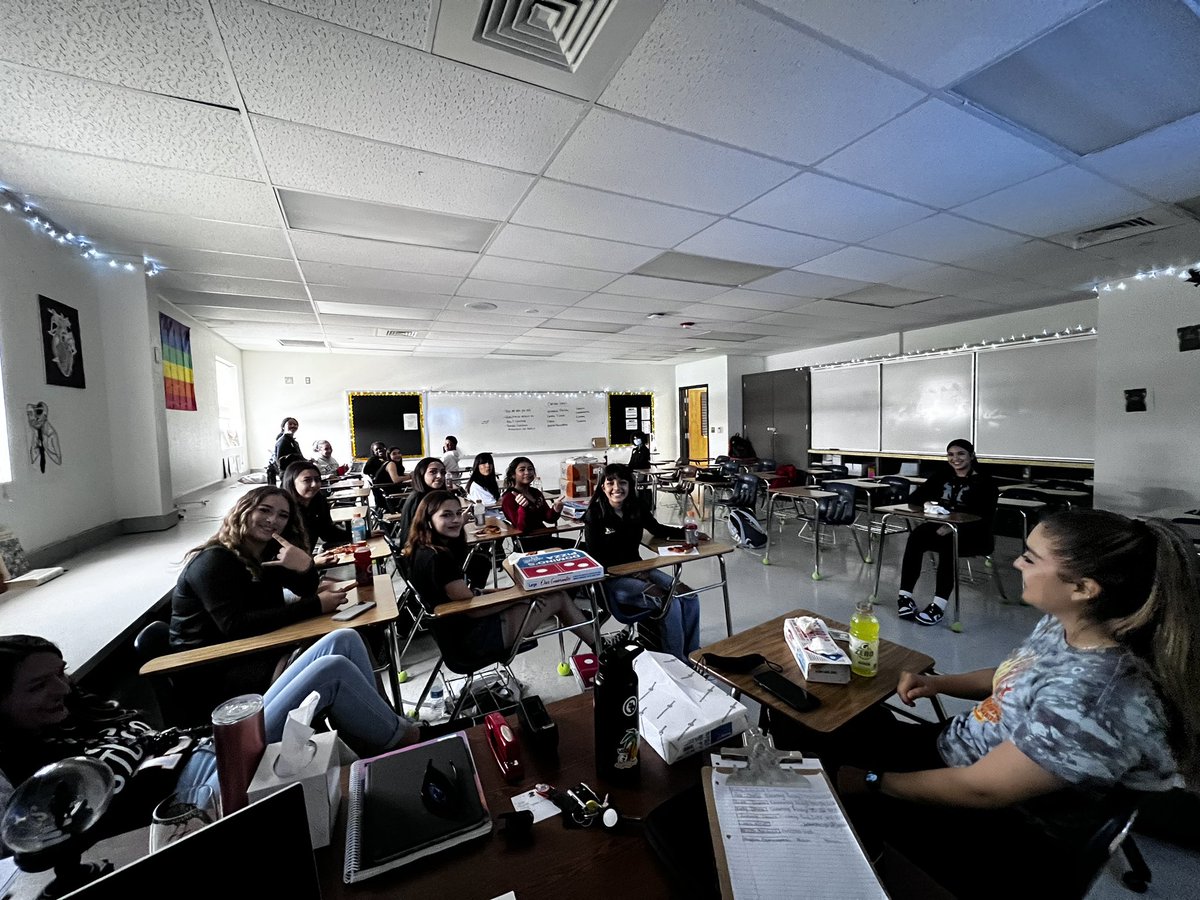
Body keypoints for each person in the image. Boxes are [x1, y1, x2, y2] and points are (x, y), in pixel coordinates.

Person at [830, 510, 1200, 898]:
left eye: (1031, 557)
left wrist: (871, 782)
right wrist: (938, 683)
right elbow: (1017, 673)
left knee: (826, 768)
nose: (1015, 561)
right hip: (962, 748)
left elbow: (982, 790)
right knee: (836, 725)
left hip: (997, 821)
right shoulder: (1071, 622)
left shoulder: (1094, 699)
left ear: (1083, 587)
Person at [0, 631, 419, 841]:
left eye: (61, 673)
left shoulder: (77, 713)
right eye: (38, 686)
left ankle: (382, 736)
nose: (61, 689)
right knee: (331, 674)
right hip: (198, 795)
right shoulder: (40, 780)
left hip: (207, 747)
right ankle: (404, 745)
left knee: (341, 640)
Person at [169, 487, 362, 707]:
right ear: (244, 511)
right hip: (215, 670)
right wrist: (316, 606)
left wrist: (305, 566)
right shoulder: (214, 561)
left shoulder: (264, 554)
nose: (273, 520)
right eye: (265, 510)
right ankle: (389, 731)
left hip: (257, 649)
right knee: (338, 658)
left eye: (283, 515)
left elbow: (306, 591)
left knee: (347, 638)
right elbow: (235, 625)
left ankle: (387, 725)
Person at [402, 491, 595, 663]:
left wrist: (512, 593)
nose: (456, 520)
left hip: (455, 634)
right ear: (428, 520)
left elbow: (469, 595)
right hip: (470, 640)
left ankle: (597, 642)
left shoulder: (422, 549)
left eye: (458, 513)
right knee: (558, 597)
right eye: (446, 515)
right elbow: (473, 609)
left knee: (537, 595)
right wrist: (519, 595)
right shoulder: (438, 557)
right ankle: (601, 649)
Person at [584, 463, 705, 660]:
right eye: (610, 483)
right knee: (668, 601)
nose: (617, 488)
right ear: (603, 487)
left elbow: (657, 529)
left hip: (640, 568)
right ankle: (677, 660)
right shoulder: (595, 514)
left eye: (622, 482)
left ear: (630, 485)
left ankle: (692, 654)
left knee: (689, 595)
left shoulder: (636, 507)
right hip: (612, 579)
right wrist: (631, 573)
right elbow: (596, 558)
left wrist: (689, 533)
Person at [895, 438, 997, 626]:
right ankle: (905, 596)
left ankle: (938, 605)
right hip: (943, 528)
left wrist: (953, 527)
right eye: (950, 454)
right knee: (916, 536)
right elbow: (915, 498)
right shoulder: (942, 475)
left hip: (974, 535)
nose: (955, 459)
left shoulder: (985, 481)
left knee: (949, 545)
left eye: (960, 454)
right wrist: (926, 503)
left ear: (971, 456)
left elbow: (984, 516)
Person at [282, 460, 349, 555]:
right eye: (307, 480)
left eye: (317, 479)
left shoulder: (319, 501)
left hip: (308, 560)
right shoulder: (283, 509)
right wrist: (313, 562)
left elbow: (328, 532)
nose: (314, 484)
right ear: (292, 482)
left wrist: (362, 535)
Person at [501, 457, 564, 553]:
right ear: (513, 475)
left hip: (545, 539)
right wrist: (522, 508)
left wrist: (556, 509)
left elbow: (549, 518)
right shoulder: (509, 498)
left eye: (530, 469)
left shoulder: (535, 492)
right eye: (522, 470)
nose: (527, 472)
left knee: (584, 547)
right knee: (582, 548)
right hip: (528, 545)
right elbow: (521, 529)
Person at [394, 457, 448, 550]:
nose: (440, 476)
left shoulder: (431, 496)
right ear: (421, 474)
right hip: (420, 552)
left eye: (443, 472)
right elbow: (423, 534)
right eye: (433, 472)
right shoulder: (419, 499)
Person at [266, 417, 302, 485]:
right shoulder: (283, 441)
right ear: (283, 427)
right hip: (285, 471)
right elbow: (281, 462)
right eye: (290, 424)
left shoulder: (294, 442)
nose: (293, 426)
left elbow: (298, 456)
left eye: (295, 424)